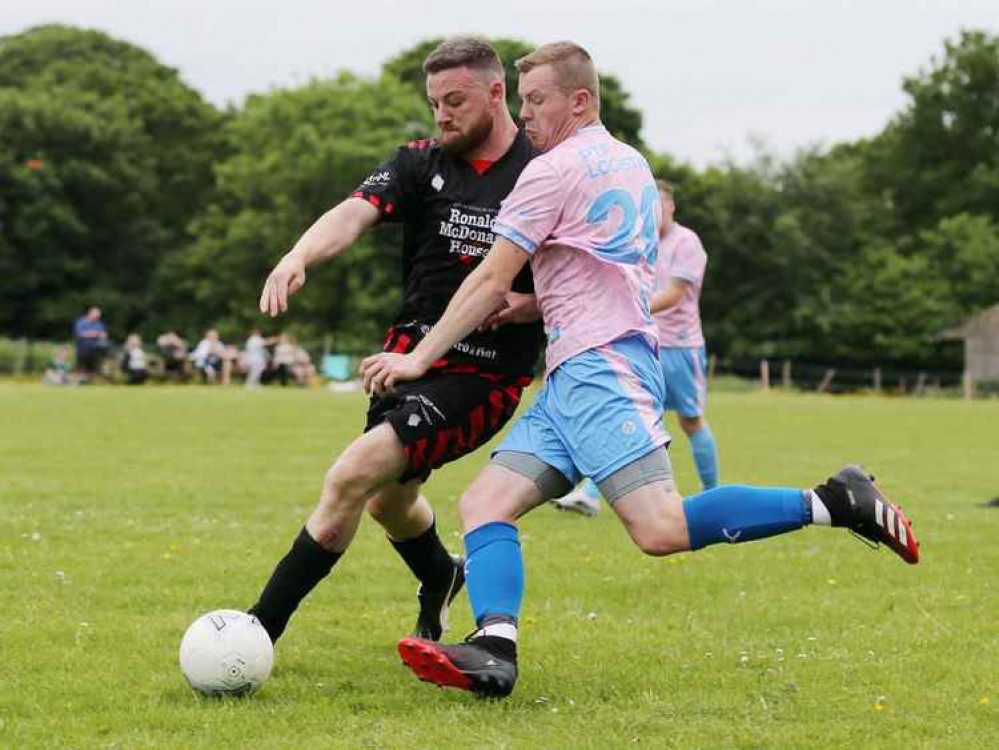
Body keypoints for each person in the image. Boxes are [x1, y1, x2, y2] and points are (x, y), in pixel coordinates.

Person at [360, 41, 921, 699]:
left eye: (536, 100)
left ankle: (835, 500)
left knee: (659, 528)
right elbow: (606, 270)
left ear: (580, 100)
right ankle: (494, 648)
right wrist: (530, 309)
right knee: (485, 502)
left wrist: (418, 357)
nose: (525, 114)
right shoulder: (627, 164)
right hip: (580, 369)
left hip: (599, 370)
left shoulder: (548, 171)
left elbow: (487, 277)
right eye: (521, 100)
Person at [246, 38, 545, 650]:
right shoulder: (420, 161)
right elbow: (355, 211)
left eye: (454, 101)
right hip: (403, 363)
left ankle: (254, 632)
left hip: (483, 376)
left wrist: (531, 305)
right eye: (434, 102)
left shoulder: (543, 170)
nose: (442, 115)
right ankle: (442, 575)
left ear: (496, 93)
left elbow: (596, 280)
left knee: (351, 476)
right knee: (388, 501)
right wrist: (299, 253)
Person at [554, 180, 718, 516]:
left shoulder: (687, 243)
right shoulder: (636, 240)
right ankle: (588, 493)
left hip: (679, 348)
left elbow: (673, 295)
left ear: (671, 207)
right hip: (642, 343)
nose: (654, 211)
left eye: (661, 204)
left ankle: (713, 495)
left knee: (691, 421)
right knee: (623, 415)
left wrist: (626, 310)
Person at [73, 306, 108, 381]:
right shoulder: (81, 322)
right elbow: (80, 334)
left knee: (94, 369)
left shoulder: (99, 324)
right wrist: (95, 334)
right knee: (81, 369)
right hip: (83, 350)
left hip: (96, 350)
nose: (97, 317)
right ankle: (76, 381)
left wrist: (97, 335)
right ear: (90, 313)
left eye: (98, 316)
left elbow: (104, 335)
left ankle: (92, 381)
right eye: (96, 315)